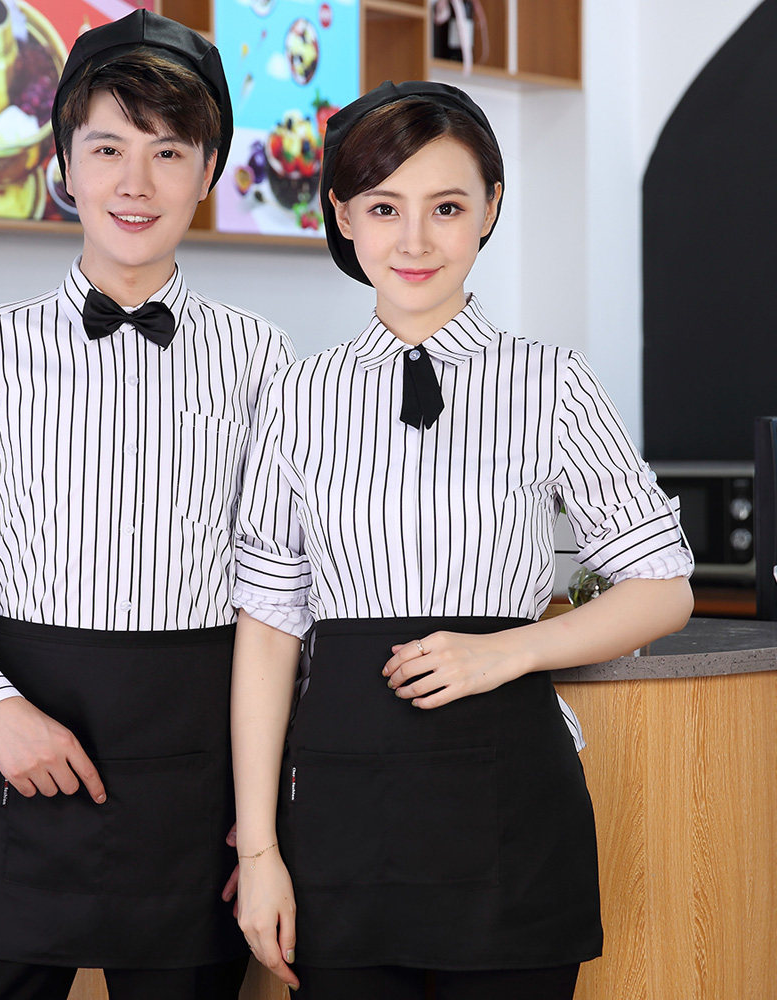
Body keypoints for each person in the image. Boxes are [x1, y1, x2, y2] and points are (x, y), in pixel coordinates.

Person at [0, 12, 294, 1000]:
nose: (135, 183)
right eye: (107, 149)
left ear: (208, 170)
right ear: (63, 166)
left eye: (167, 152)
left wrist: (271, 810)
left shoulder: (261, 356)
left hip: (198, 763)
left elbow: (288, 585)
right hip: (26, 735)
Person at [230, 81, 694, 1000]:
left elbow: (663, 587)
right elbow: (270, 627)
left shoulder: (553, 382)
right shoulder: (294, 395)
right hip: (339, 813)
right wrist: (259, 852)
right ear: (344, 217)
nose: (414, 241)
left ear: (489, 209)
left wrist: (505, 652)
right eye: (383, 208)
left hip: (509, 810)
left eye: (445, 208)